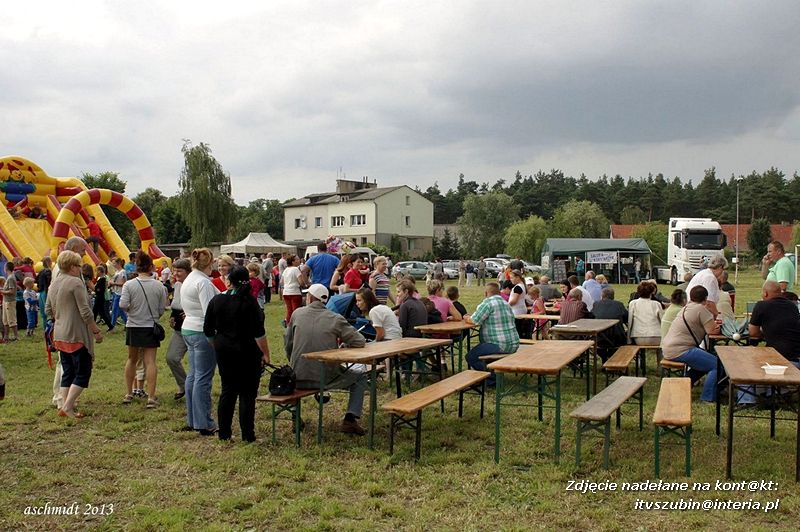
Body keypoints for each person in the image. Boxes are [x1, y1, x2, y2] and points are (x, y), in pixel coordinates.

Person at [286, 284, 368, 435]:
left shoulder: (297, 314)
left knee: (292, 374)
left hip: (296, 377)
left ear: (310, 297)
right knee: (361, 377)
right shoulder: (335, 318)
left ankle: (294, 416)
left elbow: (288, 344)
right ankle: (350, 419)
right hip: (326, 377)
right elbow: (360, 341)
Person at [203, 265, 271, 442]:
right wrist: (265, 353)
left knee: (228, 391)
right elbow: (259, 333)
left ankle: (224, 433)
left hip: (225, 350)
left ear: (228, 281)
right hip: (248, 351)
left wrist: (216, 345)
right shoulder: (250, 302)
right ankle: (248, 435)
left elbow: (208, 330)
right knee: (248, 394)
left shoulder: (217, 301)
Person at [45, 250, 104, 418]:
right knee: (83, 371)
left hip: (60, 334)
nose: (80, 269)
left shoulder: (54, 283)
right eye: (79, 266)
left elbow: (48, 310)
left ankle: (64, 405)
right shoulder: (76, 283)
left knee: (68, 370)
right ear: (72, 267)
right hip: (76, 334)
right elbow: (85, 311)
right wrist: (96, 331)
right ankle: (68, 406)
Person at [119, 252, 168, 408]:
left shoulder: (129, 285)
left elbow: (122, 304)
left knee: (131, 359)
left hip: (133, 325)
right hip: (150, 326)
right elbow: (161, 309)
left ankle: (129, 393)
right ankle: (151, 397)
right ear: (151, 267)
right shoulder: (159, 285)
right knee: (150, 362)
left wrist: (131, 310)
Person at [181, 248, 221, 435]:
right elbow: (210, 312)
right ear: (209, 263)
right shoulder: (203, 282)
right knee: (203, 378)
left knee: (194, 375)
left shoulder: (190, 279)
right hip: (201, 331)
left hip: (189, 328)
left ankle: (193, 418)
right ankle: (204, 422)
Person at [661, 286, 720, 402]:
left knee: (704, 362)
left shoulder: (685, 307)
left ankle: (683, 387)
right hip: (682, 350)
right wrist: (716, 324)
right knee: (716, 365)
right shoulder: (701, 309)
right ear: (706, 298)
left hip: (668, 348)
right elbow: (712, 331)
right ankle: (707, 398)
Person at [49, 236, 88, 410]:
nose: (85, 254)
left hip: (65, 324)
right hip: (68, 325)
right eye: (82, 250)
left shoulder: (65, 268)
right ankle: (62, 399)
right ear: (72, 250)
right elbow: (59, 297)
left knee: (67, 363)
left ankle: (66, 399)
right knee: (68, 364)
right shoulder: (63, 270)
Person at [465, 282, 520, 386]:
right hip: (513, 344)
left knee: (471, 356)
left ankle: (491, 379)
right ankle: (489, 375)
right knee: (481, 349)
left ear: (486, 293)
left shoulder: (488, 303)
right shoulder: (505, 303)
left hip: (499, 345)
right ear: (499, 292)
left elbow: (474, 321)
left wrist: (466, 318)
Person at [166, 258, 191, 400]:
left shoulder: (194, 284)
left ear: (188, 272)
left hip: (193, 328)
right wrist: (172, 316)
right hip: (179, 329)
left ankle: (196, 387)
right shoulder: (177, 284)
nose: (176, 273)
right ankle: (184, 385)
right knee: (171, 358)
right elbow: (176, 303)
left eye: (179, 271)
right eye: (174, 270)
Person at [592, 288, 628, 362]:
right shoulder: (619, 304)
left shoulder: (596, 304)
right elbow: (627, 317)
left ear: (602, 296)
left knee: (599, 346)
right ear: (613, 296)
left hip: (599, 338)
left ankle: (605, 360)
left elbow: (591, 316)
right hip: (617, 338)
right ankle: (611, 361)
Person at [627, 281, 664, 346]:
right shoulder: (656, 304)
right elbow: (662, 321)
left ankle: (641, 356)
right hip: (656, 336)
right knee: (661, 348)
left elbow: (630, 322)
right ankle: (660, 356)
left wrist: (628, 339)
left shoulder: (633, 303)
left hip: (639, 337)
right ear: (652, 292)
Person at [281, 254, 305, 324]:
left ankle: (288, 325)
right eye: (297, 259)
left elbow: (282, 281)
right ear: (293, 262)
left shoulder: (286, 270)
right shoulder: (296, 269)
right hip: (295, 292)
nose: (299, 260)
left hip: (286, 292)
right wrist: (304, 285)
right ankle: (295, 325)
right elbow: (301, 282)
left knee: (289, 310)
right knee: (296, 311)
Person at [507, 270, 530, 339]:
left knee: (517, 329)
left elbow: (514, 300)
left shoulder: (518, 287)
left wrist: (506, 305)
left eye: (512, 278)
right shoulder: (522, 285)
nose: (511, 280)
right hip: (521, 309)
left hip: (516, 311)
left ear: (517, 277)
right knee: (519, 328)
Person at [92, 264, 113, 331]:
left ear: (100, 271)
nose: (96, 272)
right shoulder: (101, 279)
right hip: (100, 297)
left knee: (95, 312)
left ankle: (93, 326)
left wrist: (95, 290)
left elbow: (99, 289)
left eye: (97, 271)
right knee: (101, 313)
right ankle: (110, 326)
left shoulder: (102, 279)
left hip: (99, 298)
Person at [2, 262, 18, 342]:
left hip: (10, 301)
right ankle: (6, 336)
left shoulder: (11, 278)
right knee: (5, 320)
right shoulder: (9, 277)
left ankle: (16, 337)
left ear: (6, 268)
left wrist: (2, 292)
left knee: (11, 319)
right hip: (6, 301)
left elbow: (11, 291)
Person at [36, 257, 52, 325]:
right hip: (46, 292)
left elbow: (36, 280)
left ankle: (45, 329)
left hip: (40, 292)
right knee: (49, 312)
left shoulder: (41, 271)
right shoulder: (48, 271)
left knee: (43, 314)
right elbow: (49, 281)